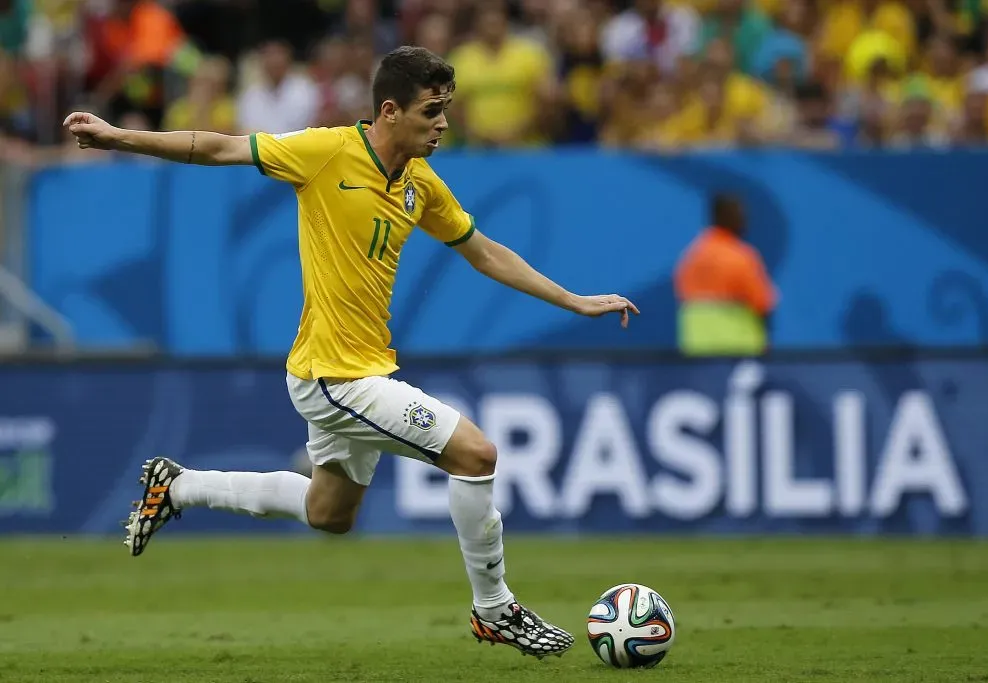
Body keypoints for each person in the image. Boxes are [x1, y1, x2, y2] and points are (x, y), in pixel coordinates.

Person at [64, 45, 639, 659]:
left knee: (329, 513)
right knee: (476, 455)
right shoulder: (326, 151)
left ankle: (178, 487)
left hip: (359, 369)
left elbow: (485, 252)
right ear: (390, 111)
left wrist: (573, 300)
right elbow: (220, 148)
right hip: (334, 375)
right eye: (431, 111)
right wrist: (117, 137)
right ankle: (495, 609)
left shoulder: (420, 182)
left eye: (446, 110)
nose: (443, 123)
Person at [674, 193, 775, 355]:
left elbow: (684, 297)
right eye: (739, 213)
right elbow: (763, 302)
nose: (744, 219)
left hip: (696, 350)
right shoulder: (741, 257)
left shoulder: (691, 257)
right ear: (724, 216)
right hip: (739, 352)